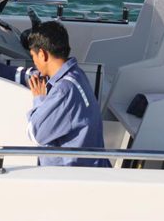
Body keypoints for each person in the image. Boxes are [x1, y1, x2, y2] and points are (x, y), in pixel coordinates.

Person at [25, 21, 110, 167]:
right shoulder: (77, 74)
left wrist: (39, 99)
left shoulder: (63, 91)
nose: (34, 63)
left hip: (70, 175)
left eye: (33, 56)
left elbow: (35, 134)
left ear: (43, 54)